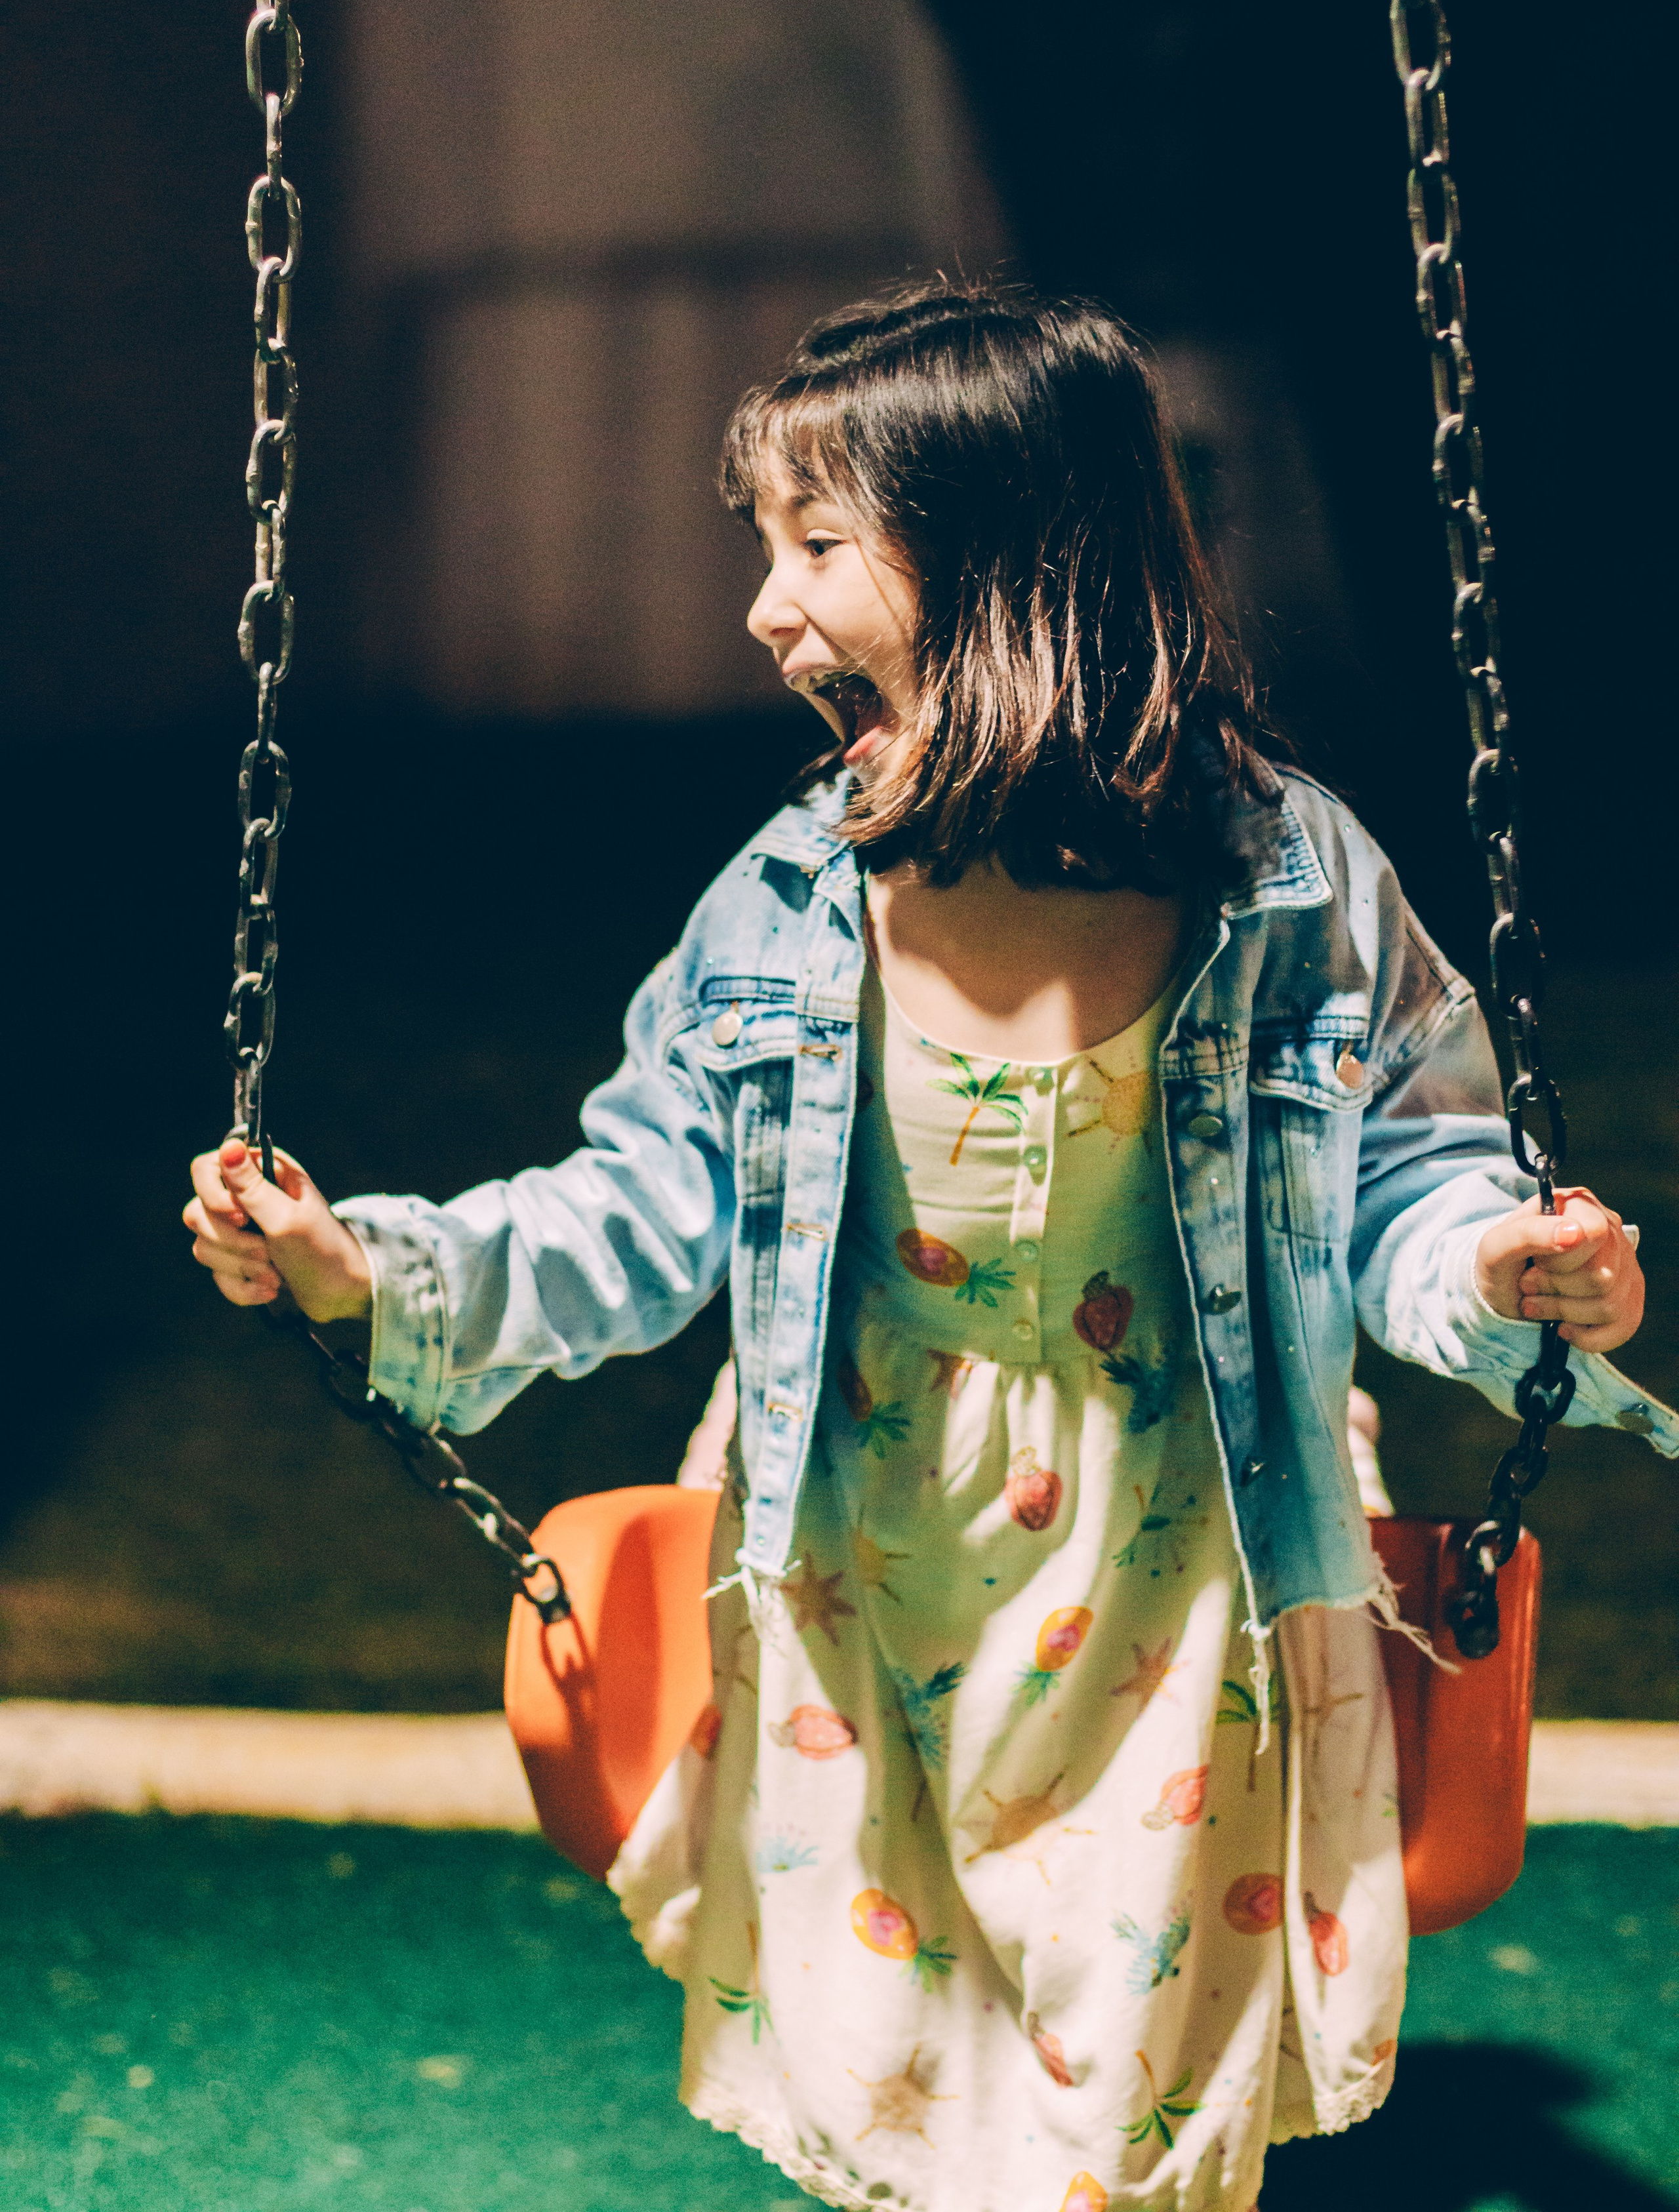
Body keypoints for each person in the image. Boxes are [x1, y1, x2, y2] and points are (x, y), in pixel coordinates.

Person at [184, 284, 1670, 2212]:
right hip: (868, 1563)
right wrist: (369, 1269)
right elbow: (631, 1203)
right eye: (765, 549)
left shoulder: (1292, 883)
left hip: (1180, 1577)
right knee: (907, 2056)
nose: (763, 611)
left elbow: (1407, 1181)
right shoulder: (791, 903)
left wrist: (1502, 1273)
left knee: (1122, 2093)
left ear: (1007, 574)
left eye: (817, 548)